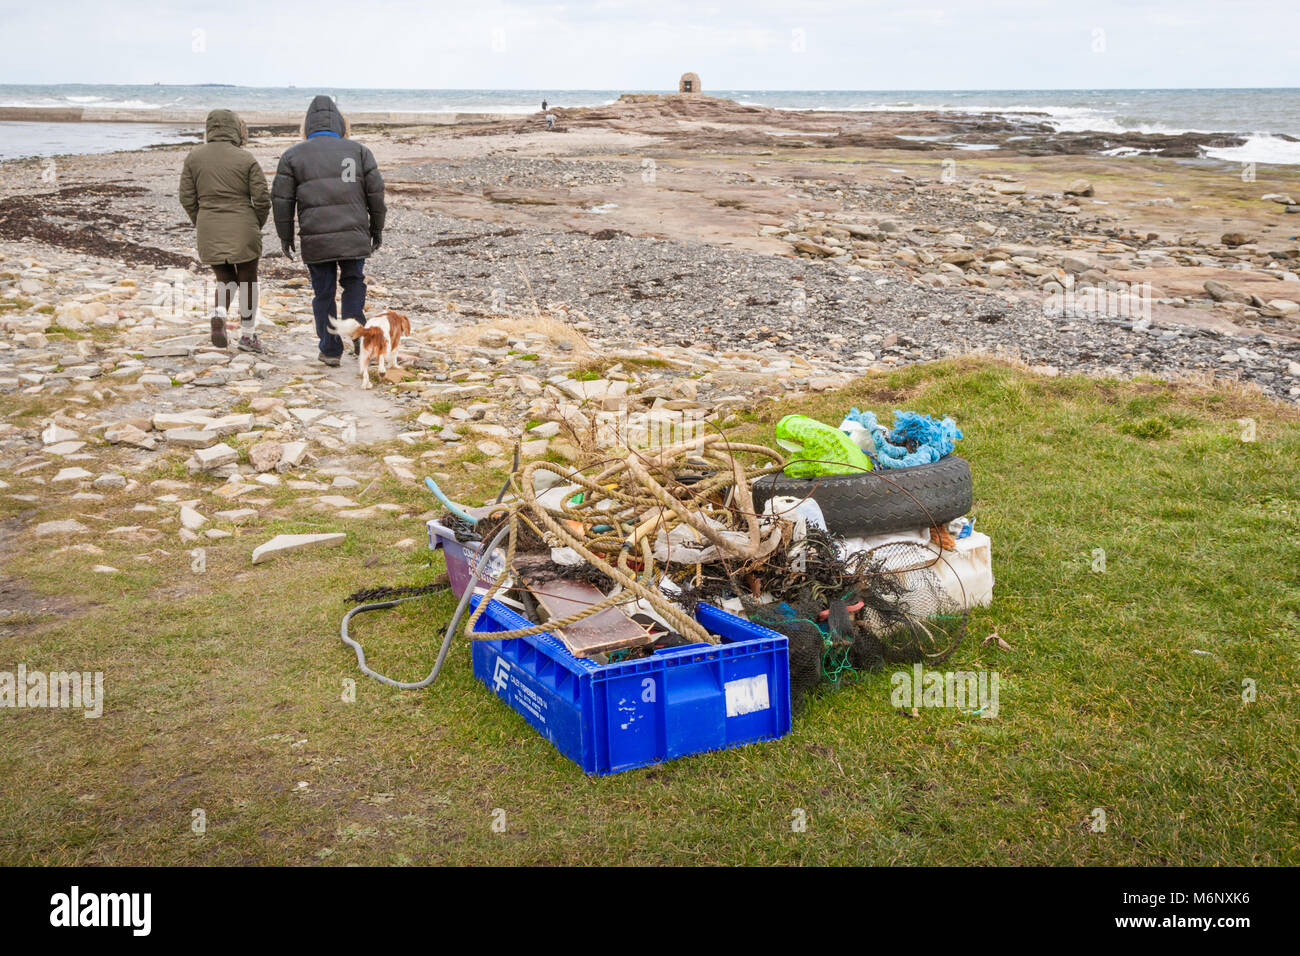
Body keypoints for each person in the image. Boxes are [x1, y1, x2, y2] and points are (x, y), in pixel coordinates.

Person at [271, 95, 386, 367]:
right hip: (353, 234)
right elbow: (376, 195)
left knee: (323, 292)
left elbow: (281, 201)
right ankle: (358, 335)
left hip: (315, 237)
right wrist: (376, 229)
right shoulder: (359, 151)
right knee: (353, 283)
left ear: (308, 125)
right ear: (340, 123)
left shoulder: (293, 155)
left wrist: (285, 236)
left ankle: (330, 349)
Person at [179, 109, 271, 352]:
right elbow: (262, 198)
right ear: (236, 129)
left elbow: (186, 197)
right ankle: (248, 337)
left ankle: (219, 313)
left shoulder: (194, 157)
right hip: (244, 225)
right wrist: (256, 223)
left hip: (209, 225)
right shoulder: (246, 158)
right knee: (248, 281)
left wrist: (200, 220)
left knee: (225, 278)